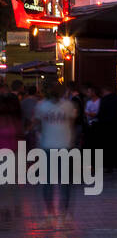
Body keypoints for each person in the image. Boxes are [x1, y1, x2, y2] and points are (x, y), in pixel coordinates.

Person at [35, 83, 78, 221]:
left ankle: (50, 212)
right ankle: (62, 212)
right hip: (63, 146)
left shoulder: (41, 105)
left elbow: (38, 125)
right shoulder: (68, 105)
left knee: (48, 181)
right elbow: (71, 124)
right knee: (64, 182)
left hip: (48, 146)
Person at [0, 92, 22, 224]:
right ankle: (5, 210)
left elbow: (19, 137)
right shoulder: (14, 120)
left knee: (7, 185)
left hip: (11, 155)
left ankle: (5, 210)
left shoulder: (14, 120)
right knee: (5, 185)